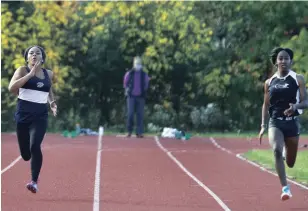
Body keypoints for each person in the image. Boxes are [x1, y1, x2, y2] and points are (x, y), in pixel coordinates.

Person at [259, 47, 308, 201]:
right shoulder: (269, 82)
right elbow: (265, 105)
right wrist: (262, 126)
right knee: (276, 151)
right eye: (280, 58)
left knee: (291, 163)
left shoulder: (298, 78)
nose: (283, 61)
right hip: (276, 123)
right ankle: (285, 188)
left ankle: (288, 152)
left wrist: (295, 107)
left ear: (290, 61)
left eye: (286, 58)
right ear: (276, 62)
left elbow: (306, 101)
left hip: (292, 123)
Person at [8, 45, 57, 193]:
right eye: (31, 53)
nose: (34, 55)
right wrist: (30, 76)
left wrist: (52, 102)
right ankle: (26, 154)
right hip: (23, 116)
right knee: (25, 155)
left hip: (40, 116)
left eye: (37, 53)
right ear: (27, 58)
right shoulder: (22, 70)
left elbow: (49, 89)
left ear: (42, 58)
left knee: (35, 145)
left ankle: (34, 181)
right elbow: (11, 88)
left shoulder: (49, 73)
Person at [123, 56, 150, 138]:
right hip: (131, 97)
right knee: (130, 114)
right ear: (134, 64)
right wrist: (128, 90)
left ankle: (139, 132)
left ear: (141, 64)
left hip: (141, 97)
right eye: (136, 64)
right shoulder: (129, 73)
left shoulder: (144, 74)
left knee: (140, 115)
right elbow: (125, 83)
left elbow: (146, 84)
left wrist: (143, 90)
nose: (138, 65)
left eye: (139, 64)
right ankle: (129, 131)